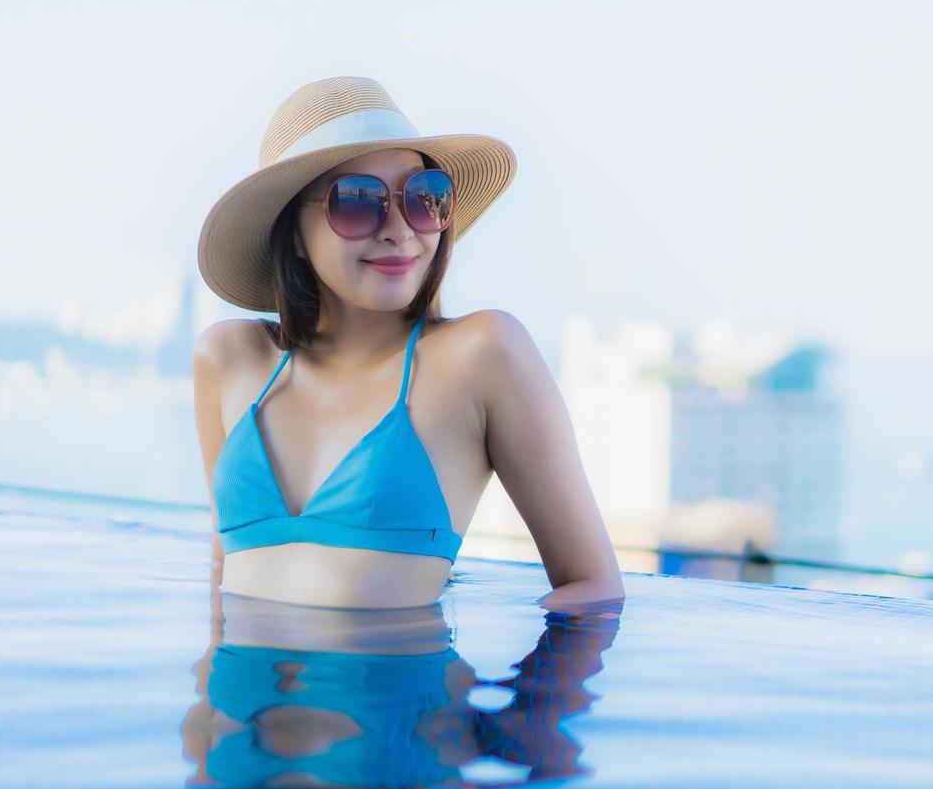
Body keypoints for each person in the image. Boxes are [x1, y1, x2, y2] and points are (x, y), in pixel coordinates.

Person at [192, 75, 624, 610]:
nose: (401, 230)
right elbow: (221, 576)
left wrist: (523, 695)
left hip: (407, 691)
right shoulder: (227, 359)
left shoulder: (482, 355)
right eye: (357, 201)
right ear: (292, 234)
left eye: (424, 198)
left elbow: (594, 587)